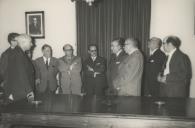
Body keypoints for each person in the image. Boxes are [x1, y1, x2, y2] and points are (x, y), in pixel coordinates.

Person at [5, 34, 35, 101]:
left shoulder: (18, 52)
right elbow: (22, 74)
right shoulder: (18, 54)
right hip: (21, 92)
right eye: (30, 42)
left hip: (21, 91)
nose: (32, 44)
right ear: (24, 42)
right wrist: (29, 91)